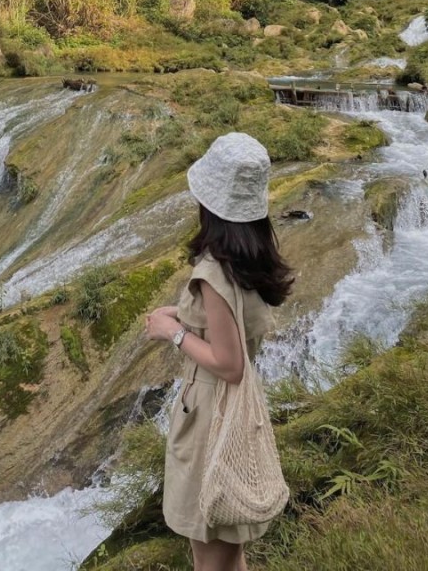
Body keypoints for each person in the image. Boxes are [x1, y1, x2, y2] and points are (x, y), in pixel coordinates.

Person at [145, 132, 293, 571]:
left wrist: (170, 332)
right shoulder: (249, 259)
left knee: (209, 555)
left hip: (212, 417)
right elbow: (231, 323)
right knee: (229, 551)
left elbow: (228, 365)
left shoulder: (213, 271)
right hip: (237, 412)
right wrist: (186, 315)